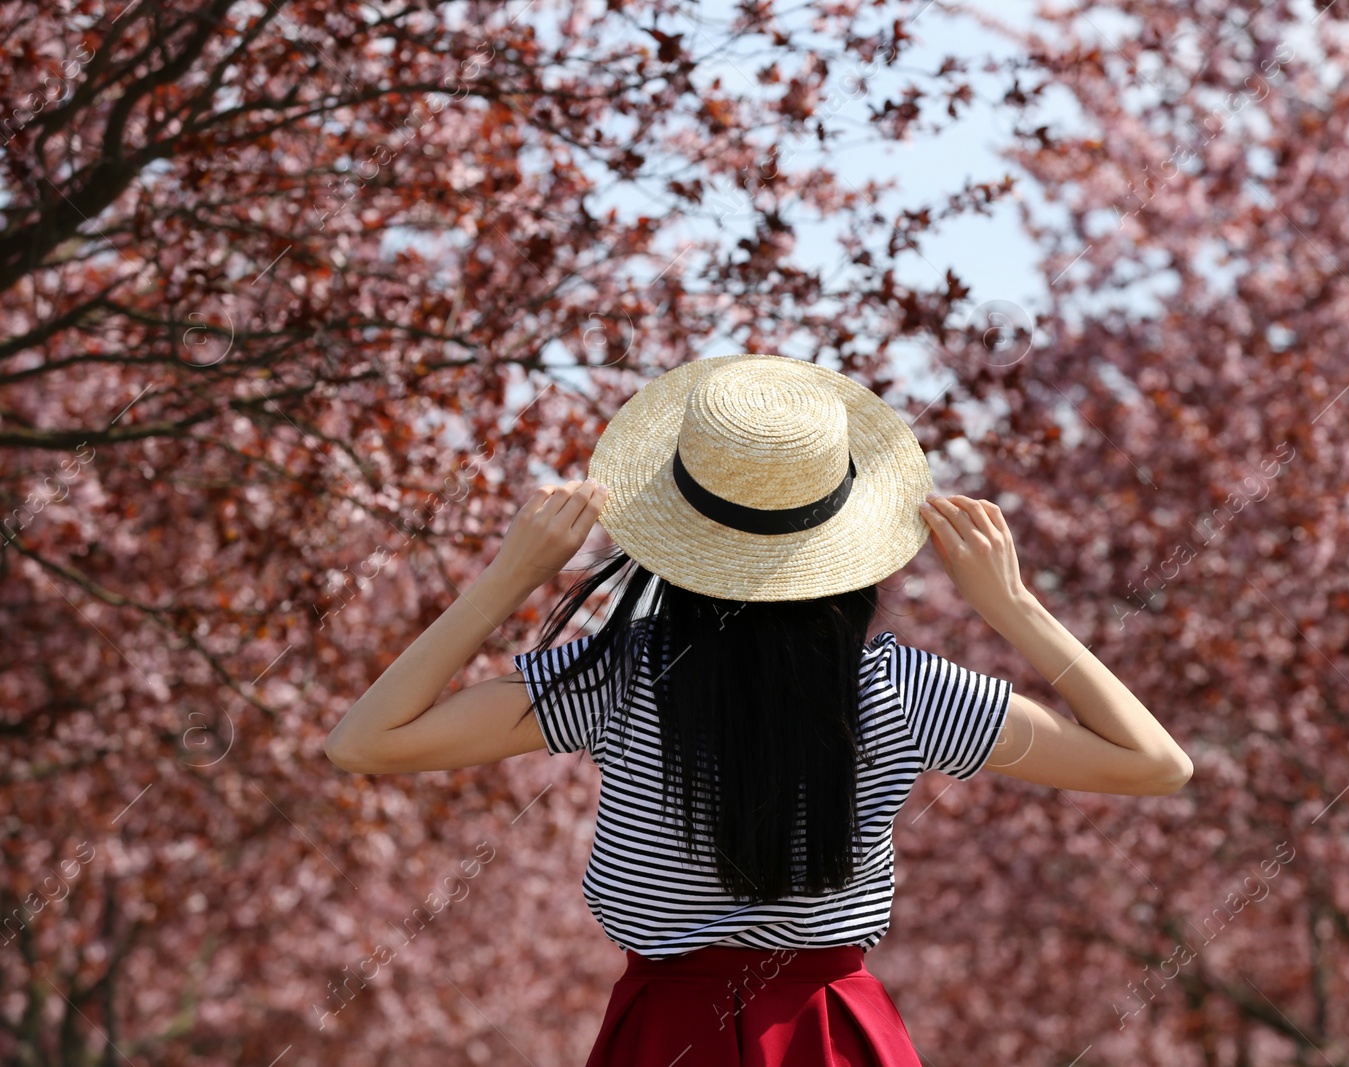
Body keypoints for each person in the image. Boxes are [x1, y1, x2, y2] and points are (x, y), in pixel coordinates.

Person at [324, 353, 1193, 1065]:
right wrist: (1012, 607)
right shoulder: (901, 689)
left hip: (662, 1036)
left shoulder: (618, 676)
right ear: (847, 543)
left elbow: (365, 742)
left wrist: (508, 575)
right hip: (834, 1033)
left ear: (679, 533)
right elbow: (1155, 764)